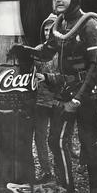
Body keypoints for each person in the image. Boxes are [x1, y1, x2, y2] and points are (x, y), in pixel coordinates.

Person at [11, 0, 97, 193]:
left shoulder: (89, 25)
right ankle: (69, 191)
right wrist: (27, 51)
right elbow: (48, 51)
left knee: (88, 143)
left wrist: (77, 100)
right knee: (56, 140)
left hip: (87, 93)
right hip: (67, 91)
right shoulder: (60, 24)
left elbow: (96, 67)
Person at [34, 13, 57, 183]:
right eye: (46, 28)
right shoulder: (38, 49)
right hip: (41, 100)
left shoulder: (64, 50)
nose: (48, 31)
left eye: (52, 28)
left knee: (56, 139)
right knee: (40, 136)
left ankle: (62, 172)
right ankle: (46, 171)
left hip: (58, 100)